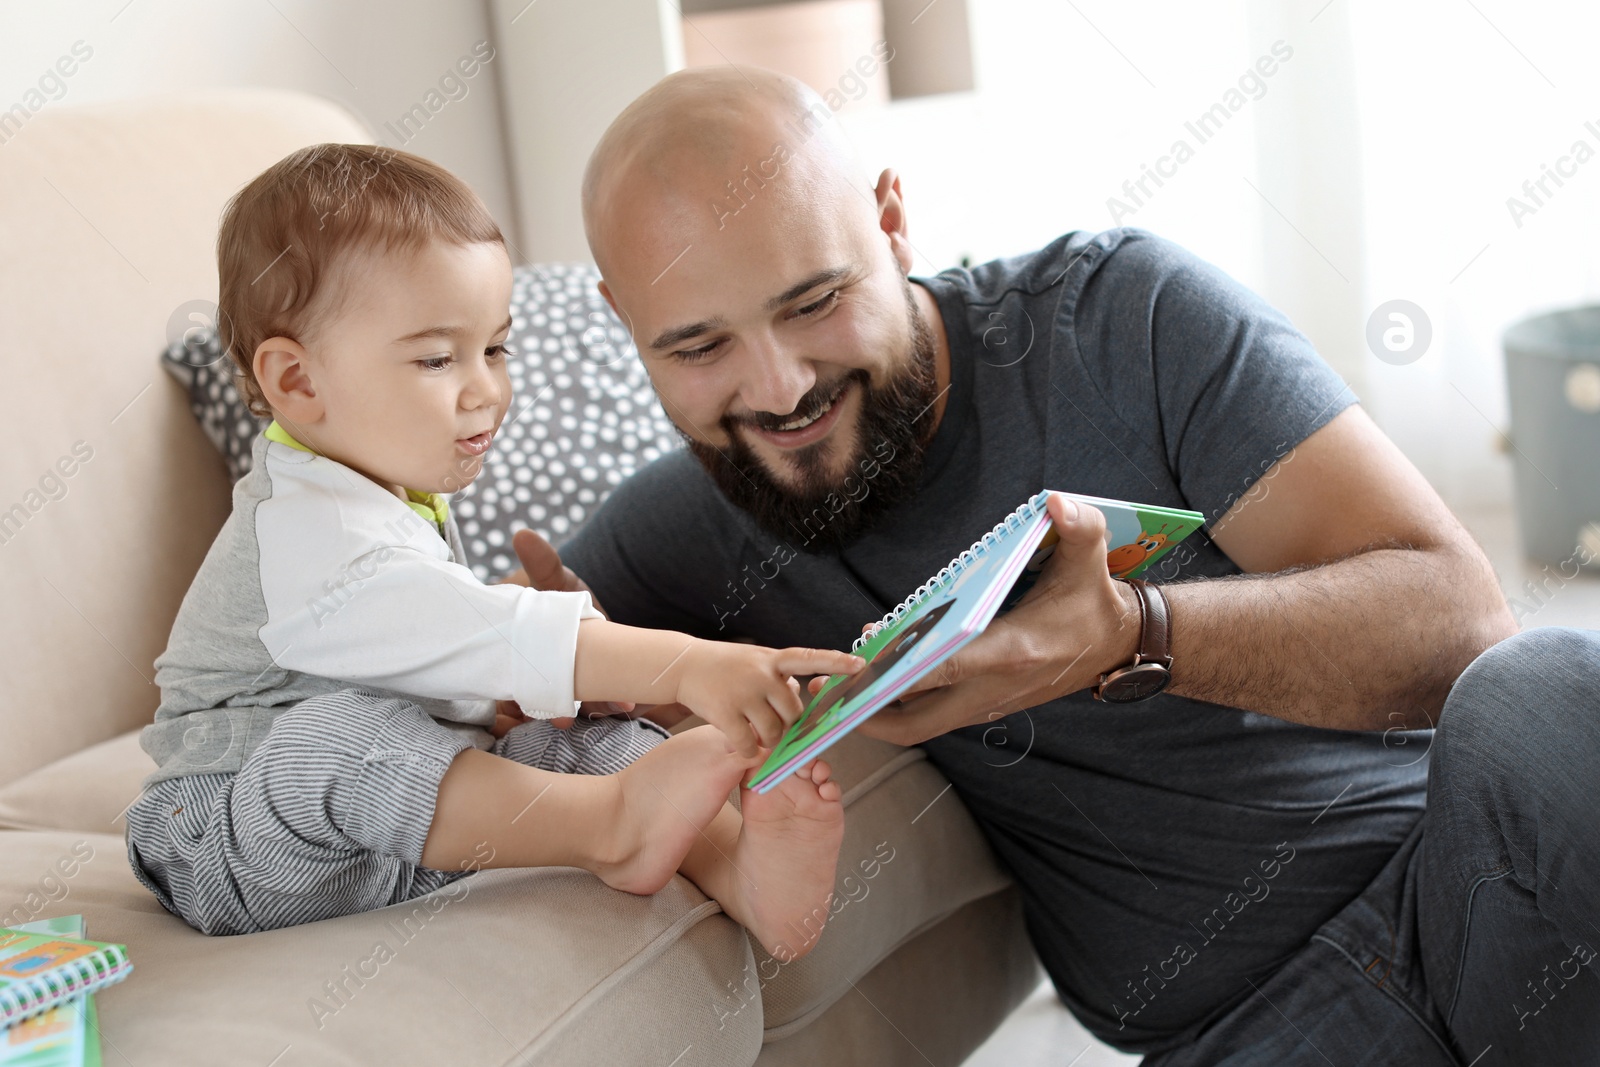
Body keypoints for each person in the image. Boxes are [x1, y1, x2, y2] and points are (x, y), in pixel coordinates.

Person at [501, 66, 1600, 1063]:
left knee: (1544, 691)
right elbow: (487, 683)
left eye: (814, 301)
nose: (779, 383)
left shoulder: (1120, 318)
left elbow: (1460, 620)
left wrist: (1134, 633)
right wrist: (544, 673)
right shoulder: (677, 528)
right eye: (697, 346)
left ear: (889, 221)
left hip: (1468, 885)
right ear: (622, 321)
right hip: (1251, 1030)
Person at [123, 143, 866, 964]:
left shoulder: (387, 491)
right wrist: (687, 664)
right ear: (297, 382)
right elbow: (475, 633)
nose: (487, 389)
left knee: (588, 740)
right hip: (239, 842)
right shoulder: (307, 530)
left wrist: (510, 703)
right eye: (439, 358)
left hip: (401, 830)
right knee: (335, 737)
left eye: (496, 348)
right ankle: (615, 827)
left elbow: (428, 650)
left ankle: (741, 872)